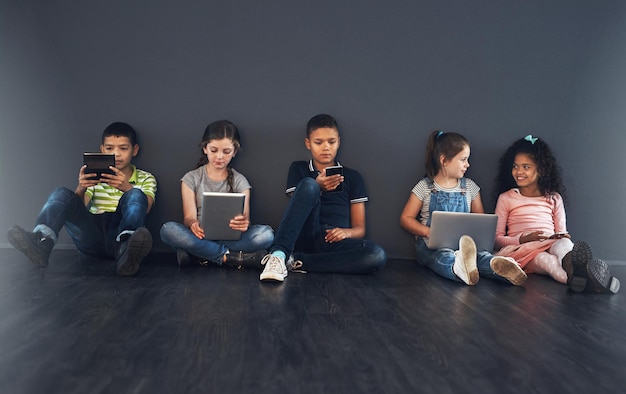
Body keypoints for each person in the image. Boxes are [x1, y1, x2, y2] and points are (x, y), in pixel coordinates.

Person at [7, 122, 156, 276]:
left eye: (123, 148)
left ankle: (127, 248)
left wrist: (126, 188)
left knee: (136, 194)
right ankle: (42, 242)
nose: (116, 154)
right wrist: (81, 187)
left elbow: (146, 207)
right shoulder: (94, 176)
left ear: (134, 150)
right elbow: (74, 208)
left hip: (118, 237)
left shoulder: (146, 178)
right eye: (110, 148)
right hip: (91, 236)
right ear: (102, 149)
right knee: (62, 193)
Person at [259, 114, 386, 282]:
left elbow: (359, 228)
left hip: (333, 242)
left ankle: (297, 262)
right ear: (308, 144)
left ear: (338, 142)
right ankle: (278, 255)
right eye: (319, 142)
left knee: (376, 255)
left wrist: (345, 233)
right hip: (306, 233)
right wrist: (318, 186)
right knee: (309, 185)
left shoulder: (353, 177)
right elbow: (296, 208)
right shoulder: (299, 168)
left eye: (331, 142)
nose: (326, 147)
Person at [494, 134, 620, 294]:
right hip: (523, 249)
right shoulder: (506, 198)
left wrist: (561, 237)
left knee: (565, 246)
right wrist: (523, 239)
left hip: (550, 241)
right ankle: (587, 280)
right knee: (547, 262)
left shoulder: (554, 198)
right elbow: (497, 240)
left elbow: (562, 232)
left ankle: (582, 271)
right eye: (515, 166)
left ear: (541, 170)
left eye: (526, 167)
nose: (518, 171)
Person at [399, 130, 527, 286]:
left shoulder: (470, 188)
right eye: (463, 159)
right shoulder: (425, 186)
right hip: (431, 245)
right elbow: (406, 219)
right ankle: (456, 268)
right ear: (444, 160)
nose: (467, 165)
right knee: (443, 256)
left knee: (481, 256)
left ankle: (501, 267)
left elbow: (481, 220)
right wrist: (428, 231)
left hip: (465, 246)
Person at [160, 120, 273, 269]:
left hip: (231, 238)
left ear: (234, 151)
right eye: (214, 150)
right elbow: (188, 218)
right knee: (168, 230)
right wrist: (193, 224)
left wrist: (244, 223)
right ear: (205, 148)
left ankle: (199, 253)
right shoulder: (191, 178)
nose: (219, 157)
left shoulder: (240, 181)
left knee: (266, 234)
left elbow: (247, 220)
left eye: (226, 152)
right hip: (199, 235)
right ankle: (229, 257)